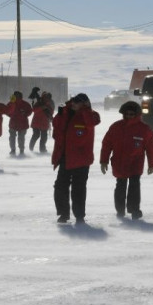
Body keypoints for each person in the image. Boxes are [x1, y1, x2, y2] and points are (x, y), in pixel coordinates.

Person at [99, 101, 153, 220]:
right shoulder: (116, 127)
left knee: (134, 187)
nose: (129, 116)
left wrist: (152, 164)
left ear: (136, 114)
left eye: (132, 114)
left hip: (135, 164)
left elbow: (151, 148)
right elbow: (106, 145)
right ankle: (120, 211)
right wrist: (103, 161)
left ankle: (134, 210)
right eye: (127, 114)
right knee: (120, 186)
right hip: (119, 163)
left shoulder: (144, 129)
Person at [51, 93, 101, 224]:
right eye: (73, 101)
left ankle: (79, 216)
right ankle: (63, 214)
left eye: (77, 102)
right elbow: (56, 128)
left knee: (78, 188)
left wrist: (85, 109)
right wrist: (61, 113)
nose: (73, 103)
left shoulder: (91, 115)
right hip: (65, 157)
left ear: (84, 104)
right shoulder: (65, 113)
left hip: (81, 159)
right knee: (60, 187)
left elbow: (91, 122)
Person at [5, 91, 33, 156]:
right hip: (16, 123)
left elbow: (30, 111)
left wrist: (25, 114)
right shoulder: (11, 103)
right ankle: (15, 150)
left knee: (19, 138)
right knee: (15, 138)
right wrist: (11, 115)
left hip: (21, 123)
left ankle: (19, 150)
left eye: (18, 96)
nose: (17, 97)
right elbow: (6, 111)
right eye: (16, 96)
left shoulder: (23, 104)